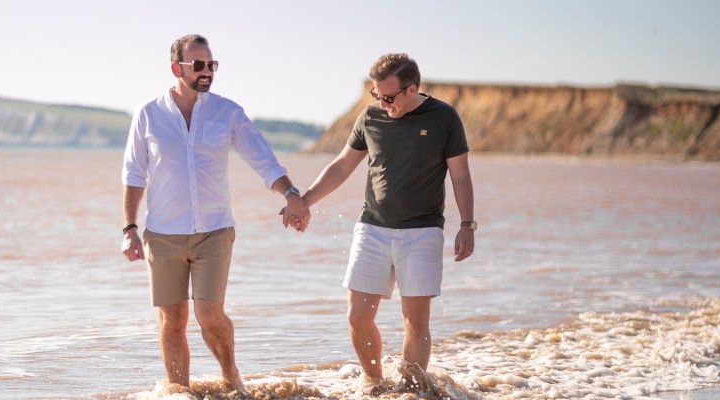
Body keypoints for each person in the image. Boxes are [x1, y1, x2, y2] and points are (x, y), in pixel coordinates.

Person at [119, 34, 309, 394]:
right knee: (171, 319)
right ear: (177, 68)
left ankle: (231, 376)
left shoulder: (228, 112)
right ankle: (180, 392)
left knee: (208, 314)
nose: (208, 72)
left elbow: (262, 159)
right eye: (199, 65)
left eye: (212, 65)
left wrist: (292, 194)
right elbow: (133, 174)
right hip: (162, 233)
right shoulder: (148, 114)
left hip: (214, 231)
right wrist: (129, 227)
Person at [288, 53, 476, 393]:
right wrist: (305, 201)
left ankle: (411, 389)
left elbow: (460, 176)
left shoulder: (444, 118)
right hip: (372, 229)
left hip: (423, 232)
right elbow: (343, 165)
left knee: (415, 323)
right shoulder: (371, 116)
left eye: (388, 96)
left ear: (411, 89)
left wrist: (467, 225)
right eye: (376, 95)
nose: (381, 102)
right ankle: (374, 386)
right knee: (357, 317)